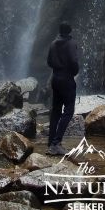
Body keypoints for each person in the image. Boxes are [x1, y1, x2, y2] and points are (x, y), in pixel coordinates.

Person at [46, 21, 79, 155]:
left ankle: (50, 142)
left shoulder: (53, 43)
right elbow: (74, 62)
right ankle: (56, 143)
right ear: (69, 31)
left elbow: (48, 62)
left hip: (55, 78)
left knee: (56, 111)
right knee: (69, 110)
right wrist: (73, 73)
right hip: (66, 79)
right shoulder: (71, 43)